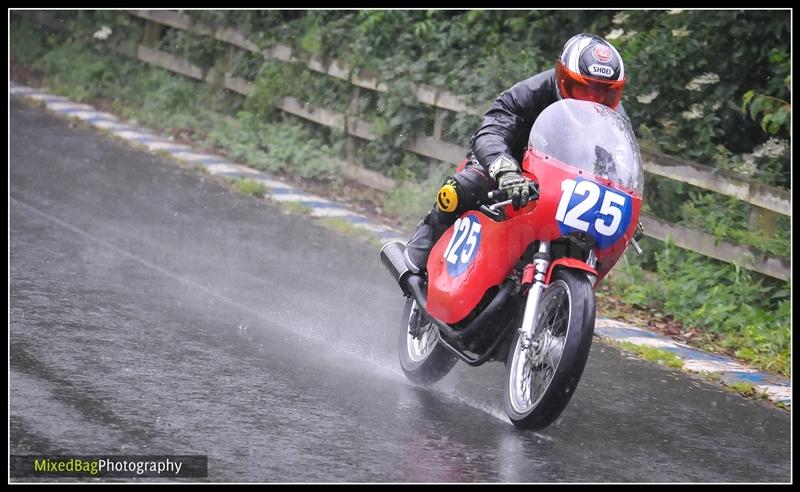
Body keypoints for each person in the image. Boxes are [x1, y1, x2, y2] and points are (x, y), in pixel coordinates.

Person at [403, 33, 630, 274]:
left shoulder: (613, 118)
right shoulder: (530, 92)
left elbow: (621, 165)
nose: (594, 100)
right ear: (563, 79)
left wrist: (625, 207)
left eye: (606, 94)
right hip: (509, 166)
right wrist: (504, 169)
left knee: (587, 242)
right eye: (584, 91)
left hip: (566, 186)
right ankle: (423, 245)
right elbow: (492, 130)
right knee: (464, 187)